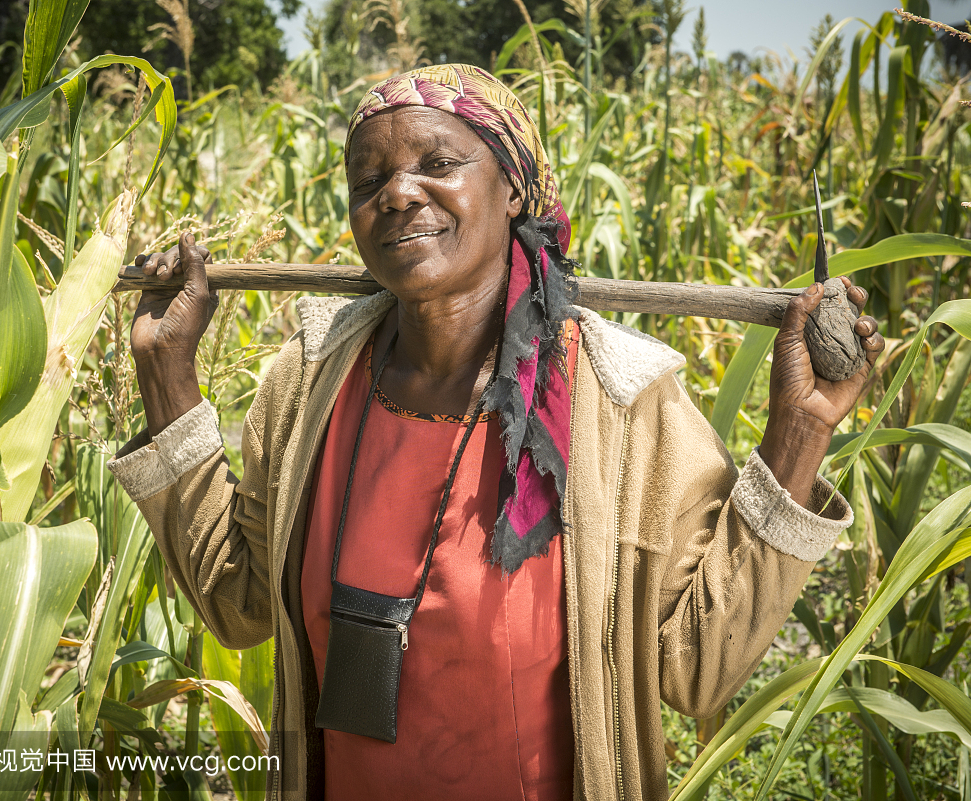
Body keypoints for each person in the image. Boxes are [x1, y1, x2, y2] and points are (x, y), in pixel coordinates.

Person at [108, 63, 883, 801]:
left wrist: (800, 432)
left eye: (438, 164)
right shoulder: (312, 382)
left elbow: (695, 668)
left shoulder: (618, 402)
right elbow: (237, 600)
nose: (397, 193)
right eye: (368, 181)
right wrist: (168, 377)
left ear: (513, 188)